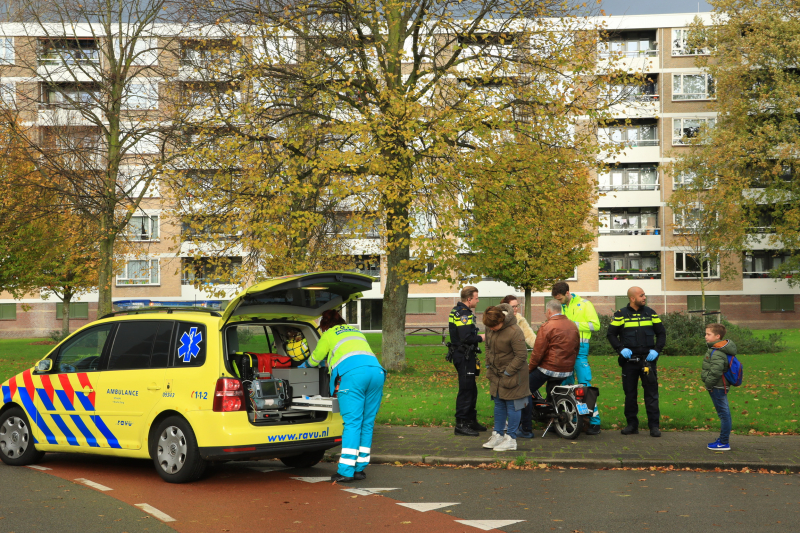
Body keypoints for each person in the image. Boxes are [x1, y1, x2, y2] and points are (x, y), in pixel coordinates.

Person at [304, 309, 385, 483]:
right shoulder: (355, 331)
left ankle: (346, 471)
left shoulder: (328, 334)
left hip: (354, 375)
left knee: (352, 423)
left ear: (324, 325)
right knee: (367, 422)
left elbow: (315, 359)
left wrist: (302, 366)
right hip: (377, 372)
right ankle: (359, 469)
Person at [607, 286, 666, 437]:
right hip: (629, 362)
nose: (644, 297)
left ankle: (654, 426)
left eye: (644, 295)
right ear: (632, 298)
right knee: (630, 394)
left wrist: (656, 350)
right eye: (641, 295)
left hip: (648, 360)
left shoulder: (651, 313)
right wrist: (620, 349)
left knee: (652, 394)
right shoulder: (621, 315)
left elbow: (661, 334)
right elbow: (611, 334)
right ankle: (632, 425)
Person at [519, 299, 579, 434]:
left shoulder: (547, 326)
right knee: (553, 393)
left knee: (525, 389)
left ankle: (525, 428)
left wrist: (529, 368)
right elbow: (576, 348)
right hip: (566, 369)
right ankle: (553, 421)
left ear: (549, 311)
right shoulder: (573, 325)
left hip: (549, 368)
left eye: (546, 312)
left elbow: (538, 352)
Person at [551, 281, 602, 435]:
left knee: (584, 385)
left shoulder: (585, 304)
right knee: (565, 385)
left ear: (567, 293)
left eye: (560, 299)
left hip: (580, 349)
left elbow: (596, 325)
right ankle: (567, 420)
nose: (558, 302)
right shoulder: (560, 306)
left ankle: (594, 422)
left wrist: (573, 324)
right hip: (563, 350)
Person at [482, 304, 530, 452]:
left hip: (514, 375)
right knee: (499, 403)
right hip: (496, 373)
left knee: (512, 405)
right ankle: (498, 434)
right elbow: (488, 347)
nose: (493, 329)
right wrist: (488, 363)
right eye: (490, 327)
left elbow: (521, 355)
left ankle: (511, 439)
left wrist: (508, 371)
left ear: (502, 319)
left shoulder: (515, 331)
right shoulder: (490, 327)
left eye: (495, 326)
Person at [447, 286, 486, 437]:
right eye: (476, 297)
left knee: (471, 388)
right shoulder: (464, 314)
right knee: (466, 389)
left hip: (463, 354)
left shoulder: (456, 310)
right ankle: (461, 424)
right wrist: (482, 338)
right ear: (469, 299)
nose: (478, 300)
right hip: (463, 355)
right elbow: (465, 338)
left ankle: (470, 420)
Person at [499, 294, 536, 438]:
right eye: (512, 306)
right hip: (504, 362)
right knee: (505, 395)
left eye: (517, 306)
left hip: (519, 362)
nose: (515, 309)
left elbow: (530, 337)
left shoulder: (520, 320)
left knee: (523, 394)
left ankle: (525, 427)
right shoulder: (500, 319)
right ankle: (509, 424)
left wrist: (541, 347)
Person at [702, 323, 737, 451]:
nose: (705, 336)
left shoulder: (717, 352)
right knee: (724, 413)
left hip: (717, 387)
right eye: (706, 333)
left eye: (708, 334)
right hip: (719, 386)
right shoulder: (717, 349)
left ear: (717, 336)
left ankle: (723, 442)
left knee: (724, 414)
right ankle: (723, 440)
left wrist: (708, 384)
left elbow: (716, 371)